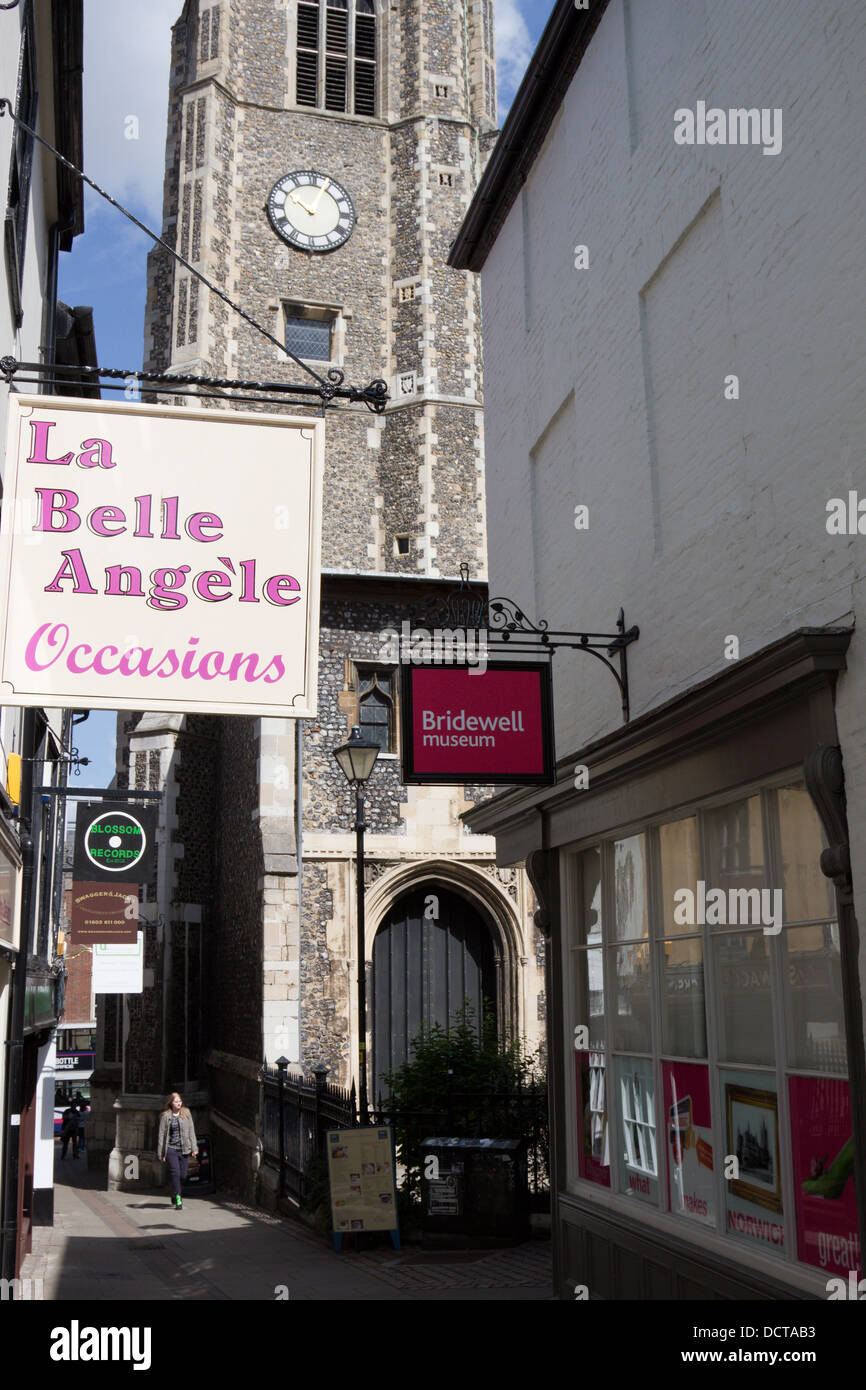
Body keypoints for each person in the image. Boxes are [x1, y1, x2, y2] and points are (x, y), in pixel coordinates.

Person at [157, 1092, 198, 1209]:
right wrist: (161, 1153)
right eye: (176, 1101)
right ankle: (179, 1199)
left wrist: (194, 1149)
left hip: (184, 1149)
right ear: (171, 1103)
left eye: (180, 1101)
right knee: (175, 1173)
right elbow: (161, 1135)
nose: (178, 1103)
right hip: (171, 1150)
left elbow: (191, 1131)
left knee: (183, 1176)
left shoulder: (186, 1113)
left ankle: (174, 1193)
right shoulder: (165, 1116)